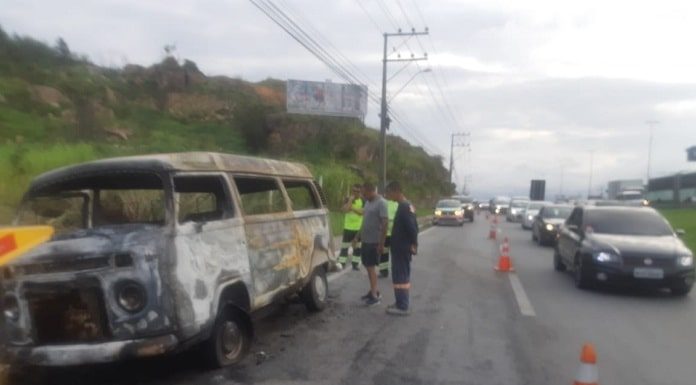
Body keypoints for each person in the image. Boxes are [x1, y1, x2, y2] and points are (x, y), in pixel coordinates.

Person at [384, 181, 418, 316]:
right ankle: (399, 302)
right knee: (398, 276)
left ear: (396, 191)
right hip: (399, 247)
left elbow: (412, 228)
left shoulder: (404, 207)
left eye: (389, 193)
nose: (388, 196)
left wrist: (414, 244)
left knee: (401, 275)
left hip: (402, 248)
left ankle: (403, 305)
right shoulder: (404, 206)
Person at [358, 182, 388, 306]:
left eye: (365, 193)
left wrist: (381, 243)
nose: (363, 196)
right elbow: (365, 220)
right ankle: (373, 290)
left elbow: (385, 223)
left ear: (371, 191)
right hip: (365, 240)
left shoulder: (381, 203)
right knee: (367, 266)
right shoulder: (368, 202)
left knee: (371, 268)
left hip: (374, 241)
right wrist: (357, 236)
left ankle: (375, 297)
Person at [338, 184, 363, 270]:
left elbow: (361, 212)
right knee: (344, 247)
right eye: (354, 191)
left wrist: (351, 207)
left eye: (358, 191)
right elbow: (344, 210)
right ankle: (342, 263)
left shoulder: (363, 200)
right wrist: (350, 201)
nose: (355, 193)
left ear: (360, 192)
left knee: (357, 247)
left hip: (358, 228)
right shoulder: (347, 200)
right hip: (347, 227)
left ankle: (355, 264)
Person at [379, 199, 399, 278]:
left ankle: (384, 272)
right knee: (386, 253)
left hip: (392, 234)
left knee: (386, 253)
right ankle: (385, 271)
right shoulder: (386, 203)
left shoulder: (396, 204)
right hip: (389, 233)